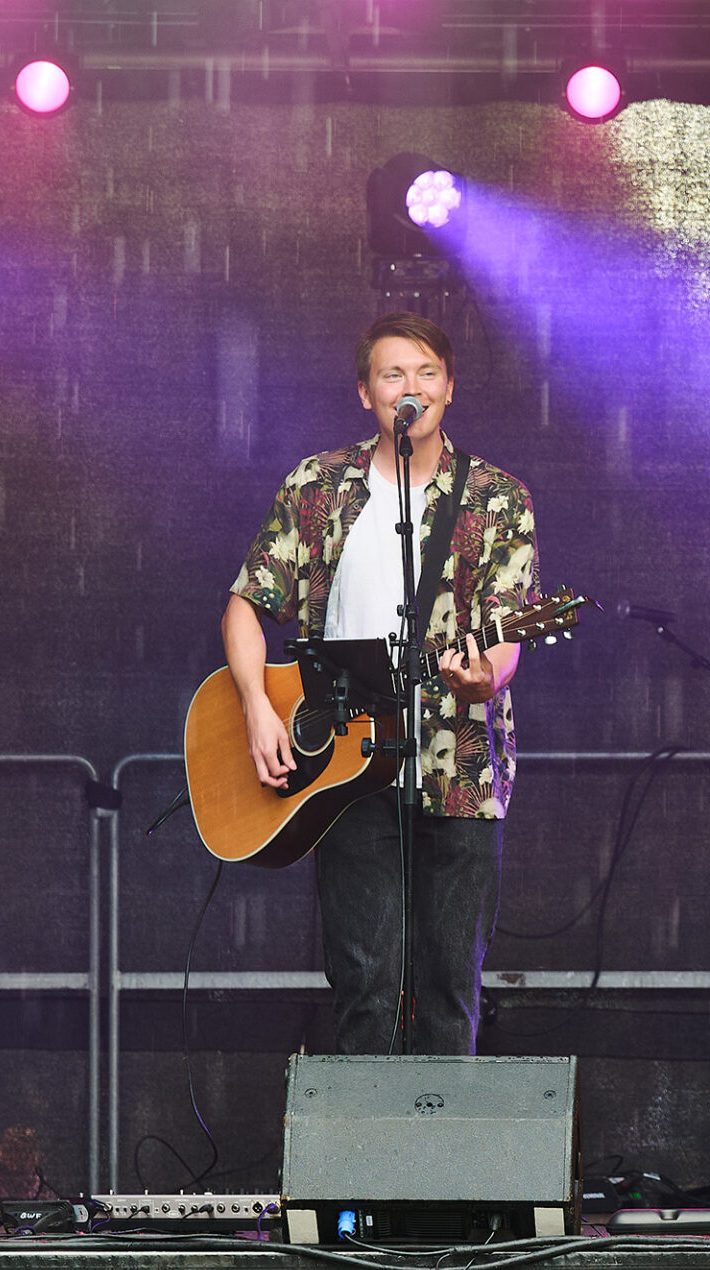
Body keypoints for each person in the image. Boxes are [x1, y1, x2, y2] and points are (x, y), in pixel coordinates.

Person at [221, 311, 538, 1054]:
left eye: (427, 372)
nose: (412, 387)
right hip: (344, 769)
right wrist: (257, 707)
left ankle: (440, 1168)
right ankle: (368, 1168)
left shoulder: (497, 497)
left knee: (450, 991)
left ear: (450, 388)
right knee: (364, 988)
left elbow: (510, 631)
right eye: (393, 373)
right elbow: (246, 603)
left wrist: (479, 681)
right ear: (367, 392)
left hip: (457, 770)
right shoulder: (317, 485)